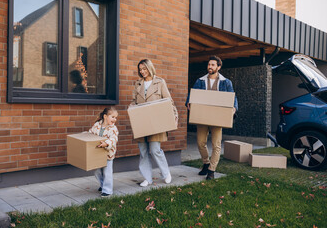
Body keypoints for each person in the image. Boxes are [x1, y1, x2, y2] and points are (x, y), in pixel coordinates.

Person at [185, 55, 238, 180]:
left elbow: (233, 97)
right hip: (202, 117)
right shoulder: (200, 81)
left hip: (217, 117)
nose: (210, 67)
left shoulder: (226, 82)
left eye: (213, 65)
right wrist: (189, 102)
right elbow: (192, 95)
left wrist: (234, 108)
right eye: (209, 64)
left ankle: (211, 170)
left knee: (216, 144)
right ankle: (206, 162)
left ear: (218, 67)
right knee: (200, 142)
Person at [130, 59, 178, 187]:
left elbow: (168, 100)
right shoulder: (138, 84)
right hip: (141, 121)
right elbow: (134, 101)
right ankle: (147, 178)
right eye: (140, 69)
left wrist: (174, 115)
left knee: (155, 149)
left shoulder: (160, 82)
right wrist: (131, 109)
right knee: (143, 151)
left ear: (150, 68)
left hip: (156, 121)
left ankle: (166, 173)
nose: (142, 71)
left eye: (144, 69)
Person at [89, 107, 119, 197]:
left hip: (108, 154)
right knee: (97, 172)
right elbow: (90, 133)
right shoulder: (97, 125)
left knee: (107, 172)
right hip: (98, 154)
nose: (115, 119)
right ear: (105, 116)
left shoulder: (113, 128)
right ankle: (103, 185)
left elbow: (114, 139)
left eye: (116, 117)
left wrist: (106, 144)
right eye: (113, 117)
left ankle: (107, 190)